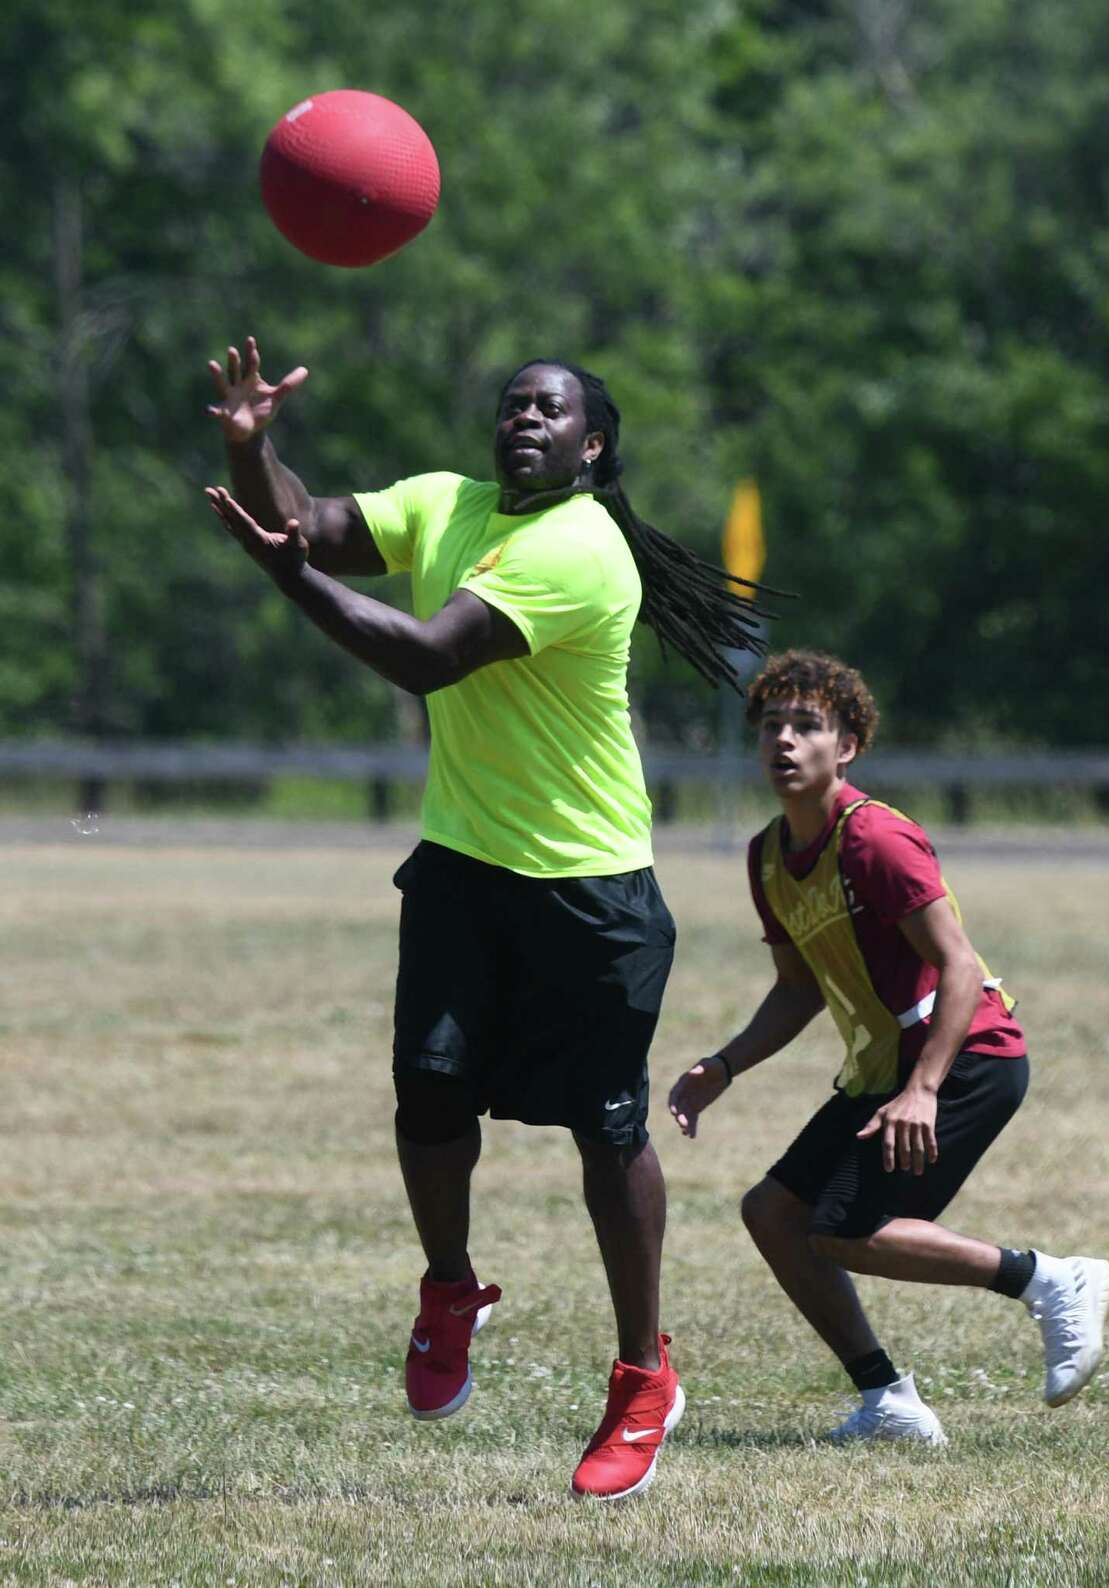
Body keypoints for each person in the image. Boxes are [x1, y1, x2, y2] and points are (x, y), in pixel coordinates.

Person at [203, 337, 772, 1499]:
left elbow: (425, 658)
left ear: (591, 445)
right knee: (427, 1092)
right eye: (513, 402)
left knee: (609, 1135)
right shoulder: (445, 504)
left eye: (552, 410)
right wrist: (258, 454)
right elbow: (307, 521)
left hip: (590, 887)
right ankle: (451, 1285)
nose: (526, 417)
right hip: (465, 868)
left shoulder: (578, 547)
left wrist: (284, 576)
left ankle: (640, 1374)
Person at [667, 649, 1109, 1445]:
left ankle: (1051, 1279)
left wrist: (925, 1089)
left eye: (809, 726)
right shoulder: (767, 855)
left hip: (969, 1056)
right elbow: (799, 988)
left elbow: (961, 967)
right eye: (773, 725)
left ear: (847, 748)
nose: (786, 741)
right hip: (888, 1069)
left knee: (844, 1226)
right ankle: (888, 1403)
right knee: (774, 1213)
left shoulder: (874, 838)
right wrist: (724, 1066)